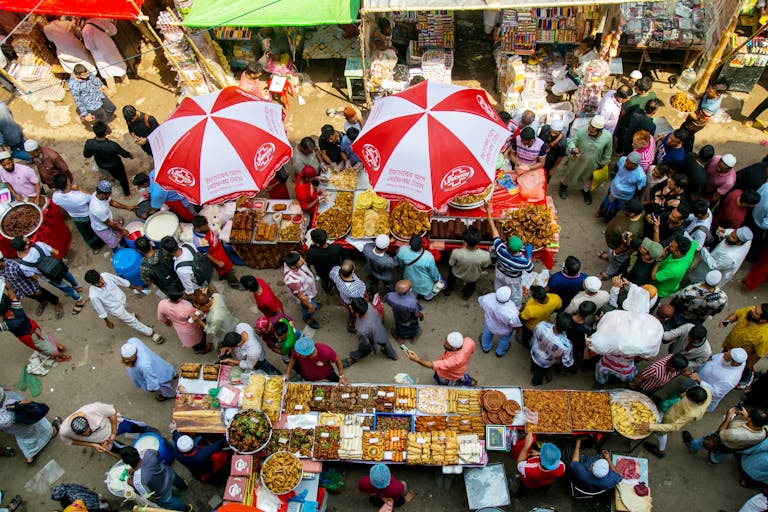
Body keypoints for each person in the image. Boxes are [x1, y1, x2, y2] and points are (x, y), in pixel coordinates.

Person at [84, 270, 164, 343]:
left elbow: (121, 281)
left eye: (101, 278)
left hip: (122, 299)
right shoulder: (93, 295)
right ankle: (151, 333)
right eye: (99, 282)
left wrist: (135, 288)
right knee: (133, 322)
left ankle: (130, 316)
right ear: (93, 284)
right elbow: (100, 310)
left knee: (128, 313)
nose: (102, 281)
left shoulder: (106, 275)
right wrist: (107, 321)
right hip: (116, 310)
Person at [12, 236, 86, 314]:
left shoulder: (24, 266)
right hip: (59, 266)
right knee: (68, 276)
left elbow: (35, 277)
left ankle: (80, 300)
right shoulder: (39, 245)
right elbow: (56, 252)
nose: (26, 237)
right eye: (25, 238)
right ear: (26, 246)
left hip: (50, 277)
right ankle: (78, 287)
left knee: (66, 288)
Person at [639, 385, 711, 458]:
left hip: (673, 419)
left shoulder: (692, 414)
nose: (686, 397)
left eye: (688, 398)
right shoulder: (706, 391)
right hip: (674, 409)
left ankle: (660, 451)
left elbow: (674, 426)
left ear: (696, 402)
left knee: (662, 434)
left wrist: (650, 426)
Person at [557, 115, 613, 205]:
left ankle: (585, 191)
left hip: (593, 163)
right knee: (570, 173)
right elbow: (572, 141)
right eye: (589, 129)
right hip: (577, 160)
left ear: (600, 131)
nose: (589, 132)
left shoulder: (608, 137)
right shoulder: (582, 131)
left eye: (592, 132)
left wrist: (603, 163)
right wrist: (573, 148)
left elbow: (607, 152)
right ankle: (563, 185)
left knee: (588, 178)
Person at [486, 202, 533, 307]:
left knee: (499, 288)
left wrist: (488, 211)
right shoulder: (523, 262)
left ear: (507, 245)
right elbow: (530, 269)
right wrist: (529, 256)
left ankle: (499, 300)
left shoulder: (500, 249)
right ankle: (515, 307)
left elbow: (494, 229)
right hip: (513, 279)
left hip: (499, 273)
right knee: (515, 294)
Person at [685, 407, 768, 464]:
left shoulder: (735, 434)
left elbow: (721, 433)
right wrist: (747, 418)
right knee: (724, 453)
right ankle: (713, 460)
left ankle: (693, 446)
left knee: (707, 440)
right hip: (736, 447)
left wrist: (728, 417)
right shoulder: (765, 431)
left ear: (750, 420)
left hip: (725, 441)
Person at [60, 402, 150, 454]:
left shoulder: (94, 409)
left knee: (134, 427)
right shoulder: (64, 432)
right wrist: (93, 445)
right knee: (122, 451)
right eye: (85, 435)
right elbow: (71, 441)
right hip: (102, 441)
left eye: (89, 430)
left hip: (114, 426)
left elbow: (112, 413)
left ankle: (147, 430)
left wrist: (114, 432)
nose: (88, 434)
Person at [120, 446, 191, 512]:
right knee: (177, 480)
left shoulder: (137, 481)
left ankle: (186, 509)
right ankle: (184, 486)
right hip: (168, 473)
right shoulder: (147, 452)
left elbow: (148, 496)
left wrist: (132, 485)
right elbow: (157, 453)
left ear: (126, 463)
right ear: (136, 451)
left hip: (163, 492)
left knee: (168, 502)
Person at [0, 387, 59, 464]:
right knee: (39, 427)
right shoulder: (11, 402)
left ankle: (30, 457)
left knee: (25, 439)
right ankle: (52, 432)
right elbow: (26, 404)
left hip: (18, 431)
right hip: (28, 422)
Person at [0, 251, 63, 319]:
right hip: (21, 290)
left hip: (30, 287)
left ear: (1, 261)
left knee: (44, 294)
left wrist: (36, 288)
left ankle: (56, 303)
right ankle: (43, 302)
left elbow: (30, 277)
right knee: (34, 297)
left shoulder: (14, 266)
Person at [52, 174, 104, 254]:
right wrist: (79, 189)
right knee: (97, 228)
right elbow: (92, 198)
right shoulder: (79, 196)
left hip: (75, 217)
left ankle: (95, 247)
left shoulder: (55, 197)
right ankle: (104, 240)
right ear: (67, 183)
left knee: (86, 234)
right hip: (87, 215)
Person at [405, 332, 477, 386]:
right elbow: (472, 351)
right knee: (461, 375)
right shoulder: (468, 341)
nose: (444, 344)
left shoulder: (455, 360)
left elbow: (432, 365)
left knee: (446, 383)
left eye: (447, 344)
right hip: (460, 369)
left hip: (449, 375)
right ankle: (469, 381)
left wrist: (417, 360)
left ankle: (466, 382)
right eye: (446, 341)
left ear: (454, 348)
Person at [723, 303, 768, 389]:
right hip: (728, 347)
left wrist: (748, 365)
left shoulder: (764, 337)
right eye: (755, 308)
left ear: (763, 320)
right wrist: (725, 322)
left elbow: (758, 354)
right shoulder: (750, 311)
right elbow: (737, 314)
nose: (752, 310)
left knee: (734, 372)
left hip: (740, 359)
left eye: (756, 313)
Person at [344, 297, 398, 367]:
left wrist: (370, 345)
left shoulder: (361, 330)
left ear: (354, 311)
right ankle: (393, 355)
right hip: (379, 328)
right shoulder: (368, 305)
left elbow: (365, 343)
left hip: (371, 337)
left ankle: (353, 358)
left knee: (364, 350)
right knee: (385, 342)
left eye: (351, 306)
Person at [599, 199, 645, 279]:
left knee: (616, 262)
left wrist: (615, 253)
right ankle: (609, 258)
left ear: (632, 214)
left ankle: (609, 273)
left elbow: (625, 246)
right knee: (611, 257)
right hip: (612, 239)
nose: (623, 210)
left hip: (615, 246)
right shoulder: (641, 212)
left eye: (625, 210)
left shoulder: (631, 230)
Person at [689, 348, 747, 412]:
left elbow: (716, 392)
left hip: (702, 392)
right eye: (727, 352)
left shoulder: (729, 380)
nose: (724, 354)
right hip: (698, 377)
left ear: (735, 363)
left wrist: (699, 381)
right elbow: (716, 357)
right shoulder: (733, 360)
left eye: (726, 356)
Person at [191, 216, 242, 289]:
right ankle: (235, 284)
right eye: (204, 227)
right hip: (215, 256)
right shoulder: (200, 242)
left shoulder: (205, 229)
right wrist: (218, 262)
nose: (207, 227)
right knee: (226, 269)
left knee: (225, 268)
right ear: (197, 228)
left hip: (219, 250)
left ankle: (223, 275)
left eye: (207, 225)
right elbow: (207, 255)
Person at [83, 121, 132, 197]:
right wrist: (130, 155)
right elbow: (124, 154)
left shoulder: (89, 143)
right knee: (123, 179)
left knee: (108, 173)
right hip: (116, 165)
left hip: (101, 164)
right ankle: (127, 194)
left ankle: (112, 178)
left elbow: (87, 155)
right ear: (105, 132)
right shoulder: (112, 145)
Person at [157, 289, 211, 354]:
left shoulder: (162, 303)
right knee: (199, 339)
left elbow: (160, 318)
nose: (184, 293)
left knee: (191, 340)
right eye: (183, 294)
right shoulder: (186, 307)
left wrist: (167, 321)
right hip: (191, 328)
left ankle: (196, 349)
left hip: (179, 327)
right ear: (179, 299)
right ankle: (203, 349)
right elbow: (199, 314)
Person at [81, 18, 128, 94]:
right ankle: (125, 80)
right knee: (118, 62)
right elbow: (114, 31)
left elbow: (90, 46)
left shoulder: (85, 30)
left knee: (106, 70)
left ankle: (112, 89)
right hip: (109, 45)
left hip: (99, 53)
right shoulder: (101, 20)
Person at [598, 151, 646, 220]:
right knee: (606, 202)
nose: (625, 164)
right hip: (613, 189)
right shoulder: (622, 159)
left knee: (617, 209)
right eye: (626, 161)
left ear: (636, 165)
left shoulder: (641, 176)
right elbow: (616, 168)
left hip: (624, 197)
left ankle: (610, 219)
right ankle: (601, 213)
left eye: (629, 164)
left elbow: (639, 189)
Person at [446, 227, 490, 300]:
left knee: (451, 274)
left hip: (457, 273)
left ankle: (448, 290)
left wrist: (462, 249)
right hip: (473, 277)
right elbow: (485, 266)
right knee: (471, 285)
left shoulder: (456, 252)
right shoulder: (485, 255)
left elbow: (451, 264)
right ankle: (466, 296)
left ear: (465, 241)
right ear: (478, 242)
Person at [530, 312, 573, 385]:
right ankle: (535, 382)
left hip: (535, 352)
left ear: (555, 321)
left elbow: (534, 333)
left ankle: (533, 369)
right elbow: (567, 362)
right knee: (540, 372)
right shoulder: (566, 345)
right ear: (568, 328)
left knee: (534, 363)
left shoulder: (542, 325)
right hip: (545, 362)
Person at [285, 336, 349, 384]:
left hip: (327, 373)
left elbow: (337, 359)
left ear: (308, 353)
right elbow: (293, 358)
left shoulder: (325, 351)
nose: (297, 355)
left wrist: (342, 376)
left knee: (337, 383)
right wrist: (287, 373)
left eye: (300, 354)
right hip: (308, 375)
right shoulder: (298, 350)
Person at [478, 287, 522, 357]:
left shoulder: (488, 298)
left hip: (489, 324)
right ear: (508, 298)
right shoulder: (511, 311)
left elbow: (481, 302)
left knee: (487, 334)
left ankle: (485, 348)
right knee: (504, 341)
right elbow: (515, 324)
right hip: (504, 331)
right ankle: (500, 353)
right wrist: (519, 331)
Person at [396, 235, 441, 301]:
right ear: (422, 244)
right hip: (424, 282)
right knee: (427, 294)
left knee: (412, 290)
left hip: (409, 277)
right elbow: (433, 272)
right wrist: (437, 279)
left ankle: (414, 295)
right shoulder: (428, 257)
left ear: (409, 244)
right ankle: (427, 298)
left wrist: (403, 267)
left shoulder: (402, 250)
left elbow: (401, 264)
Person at [283, 251, 320, 329]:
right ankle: (307, 318)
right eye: (299, 261)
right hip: (305, 296)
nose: (302, 260)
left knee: (313, 303)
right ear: (293, 266)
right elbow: (302, 297)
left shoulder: (294, 255)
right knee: (308, 308)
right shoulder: (291, 280)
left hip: (309, 289)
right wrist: (310, 307)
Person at [329, 260, 368, 332]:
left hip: (344, 299)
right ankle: (351, 326)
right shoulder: (352, 290)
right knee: (353, 314)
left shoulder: (335, 270)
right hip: (351, 303)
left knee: (352, 313)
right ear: (353, 271)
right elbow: (361, 294)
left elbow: (331, 276)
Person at [306, 228, 345, 294]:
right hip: (336, 272)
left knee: (325, 283)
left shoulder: (311, 252)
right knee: (337, 282)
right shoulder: (337, 248)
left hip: (323, 274)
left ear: (317, 244)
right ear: (326, 238)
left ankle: (327, 291)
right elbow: (345, 259)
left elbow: (309, 263)